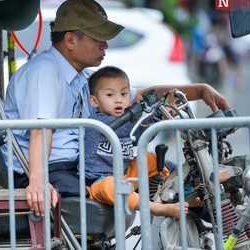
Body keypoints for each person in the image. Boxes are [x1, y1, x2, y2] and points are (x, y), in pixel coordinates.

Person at [1, 0, 230, 217]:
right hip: (51, 169)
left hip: (78, 164)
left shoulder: (82, 77)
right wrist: (39, 182)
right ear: (70, 40)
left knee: (172, 171)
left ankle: (238, 225)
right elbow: (41, 130)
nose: (105, 45)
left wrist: (199, 90)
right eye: (98, 39)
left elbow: (142, 94)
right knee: (98, 192)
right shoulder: (45, 72)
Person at [82, 65, 196, 218]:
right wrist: (156, 117)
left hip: (124, 175)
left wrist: (160, 116)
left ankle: (174, 193)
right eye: (110, 95)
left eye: (123, 94)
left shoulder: (124, 121)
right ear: (94, 101)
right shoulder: (98, 122)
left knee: (150, 159)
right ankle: (157, 208)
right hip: (96, 182)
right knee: (111, 186)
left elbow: (142, 136)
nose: (118, 100)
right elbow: (127, 130)